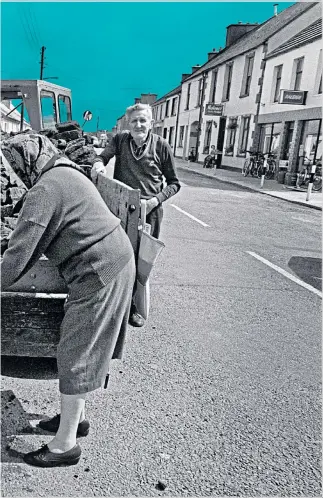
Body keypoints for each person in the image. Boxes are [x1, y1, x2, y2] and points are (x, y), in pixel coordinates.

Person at [1, 133, 136, 467]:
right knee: (82, 346)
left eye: (14, 166)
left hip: (99, 272)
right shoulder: (64, 173)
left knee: (76, 351)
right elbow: (33, 236)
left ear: (26, 161)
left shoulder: (46, 188)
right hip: (111, 262)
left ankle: (65, 446)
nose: (15, 174)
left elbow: (19, 259)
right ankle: (74, 420)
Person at [91, 103, 181, 328]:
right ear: (128, 124)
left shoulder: (161, 146)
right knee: (120, 257)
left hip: (150, 212)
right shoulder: (121, 140)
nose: (139, 125)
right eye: (134, 121)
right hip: (123, 210)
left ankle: (135, 308)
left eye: (143, 120)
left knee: (142, 263)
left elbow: (174, 183)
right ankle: (117, 304)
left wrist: (154, 201)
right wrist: (98, 164)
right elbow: (103, 157)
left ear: (151, 123)